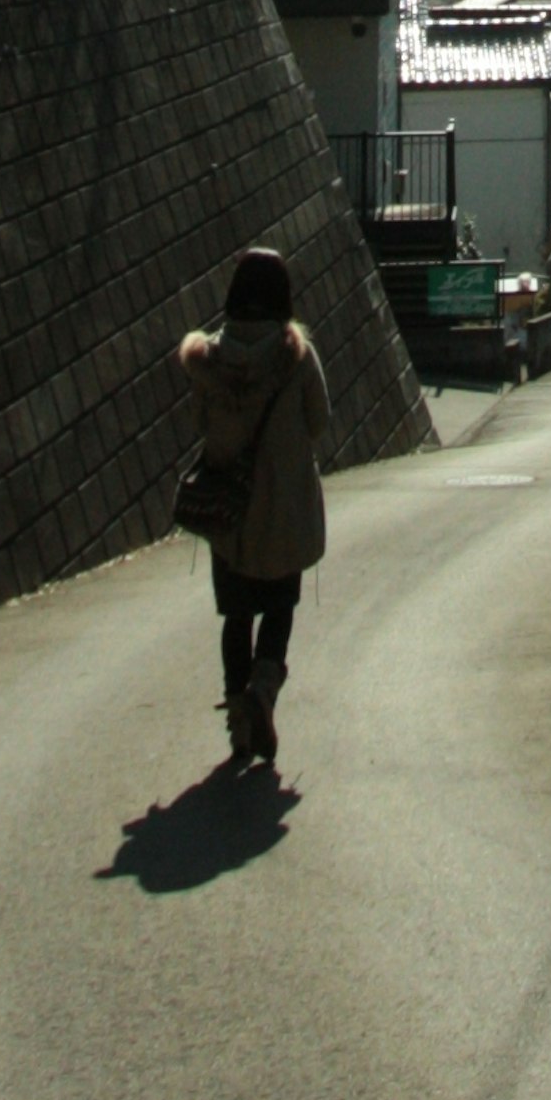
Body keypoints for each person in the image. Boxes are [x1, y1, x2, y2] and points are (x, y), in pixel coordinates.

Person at [178, 243, 332, 772]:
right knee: (280, 605)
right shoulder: (295, 354)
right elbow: (319, 420)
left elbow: (200, 425)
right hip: (284, 510)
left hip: (232, 514)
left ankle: (239, 715)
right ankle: (264, 690)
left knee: (237, 612)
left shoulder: (210, 357)